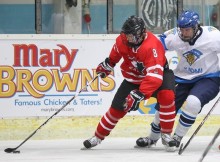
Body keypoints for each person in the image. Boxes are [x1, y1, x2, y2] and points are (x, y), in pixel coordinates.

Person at [82, 15, 177, 150]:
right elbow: (115, 54)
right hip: (133, 78)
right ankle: (97, 137)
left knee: (167, 96)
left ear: (141, 34)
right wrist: (108, 65)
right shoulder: (122, 40)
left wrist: (139, 94)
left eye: (132, 36)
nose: (128, 38)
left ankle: (166, 135)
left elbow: (154, 77)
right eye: (127, 35)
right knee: (116, 109)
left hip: (159, 75)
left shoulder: (151, 46)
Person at [136, 10, 220, 150]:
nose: (183, 33)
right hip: (182, 77)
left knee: (193, 103)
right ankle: (152, 137)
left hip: (209, 77)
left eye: (187, 30)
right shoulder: (175, 35)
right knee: (166, 105)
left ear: (196, 27)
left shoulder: (213, 36)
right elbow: (156, 45)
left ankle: (177, 137)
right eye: (181, 29)